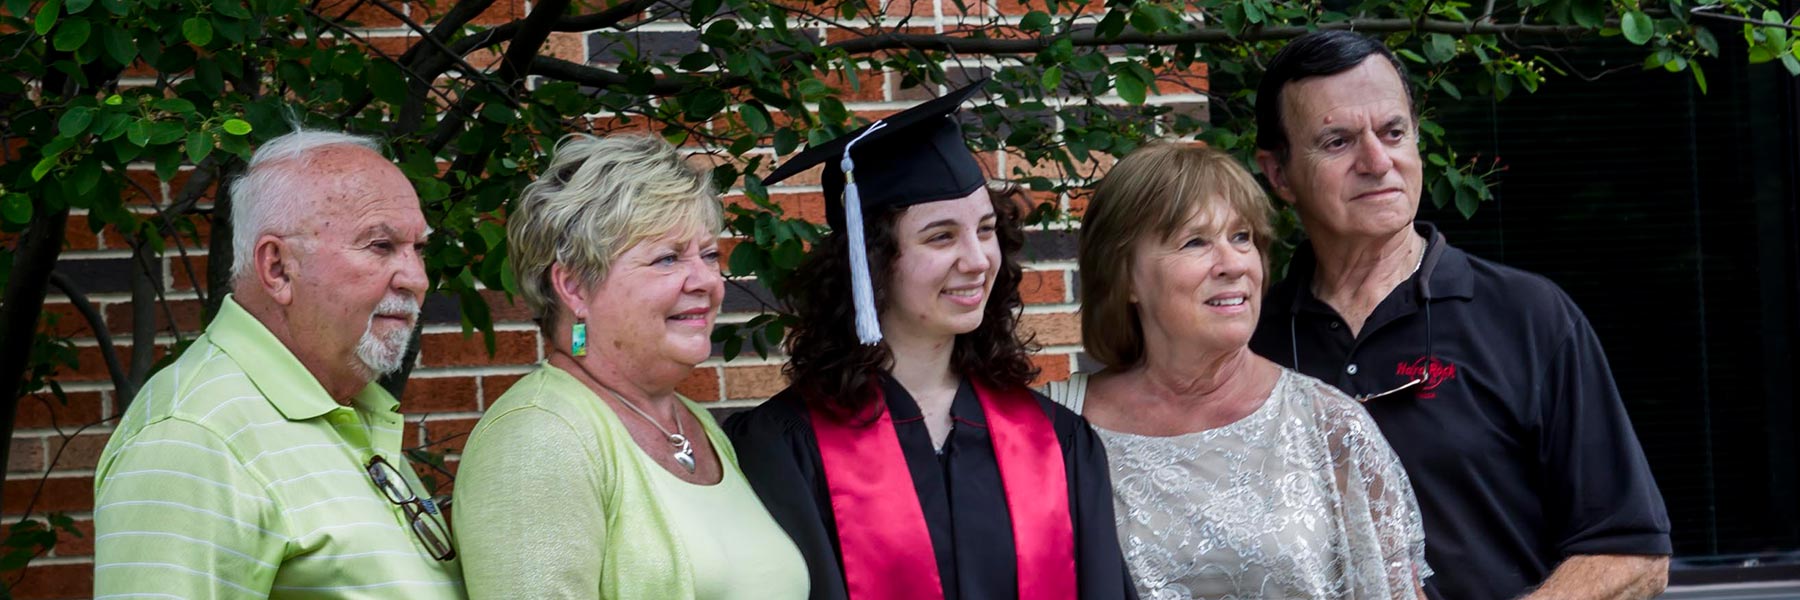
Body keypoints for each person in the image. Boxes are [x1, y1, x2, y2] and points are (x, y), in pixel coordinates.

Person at [1246, 30, 1672, 600]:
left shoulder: (1527, 317)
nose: (1377, 161)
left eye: (1393, 132)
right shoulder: (1249, 338)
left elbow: (1633, 555)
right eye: (1337, 141)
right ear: (1278, 175)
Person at [724, 81, 1136, 600]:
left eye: (985, 230)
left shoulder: (1058, 441)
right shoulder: (785, 447)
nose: (977, 259)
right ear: (872, 261)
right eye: (941, 236)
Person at [1044, 141, 1430, 599]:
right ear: (1125, 276)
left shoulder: (1329, 427)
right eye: (1195, 242)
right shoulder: (1052, 427)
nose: (1232, 264)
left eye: (1242, 237)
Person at [93, 130, 465, 597]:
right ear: (277, 268)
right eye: (380, 246)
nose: (416, 278)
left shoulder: (341, 403)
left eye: (419, 250)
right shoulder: (193, 435)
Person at [451, 134, 808, 599]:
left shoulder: (694, 423)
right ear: (575, 287)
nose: (705, 280)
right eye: (667, 258)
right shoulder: (538, 437)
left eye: (707, 254)